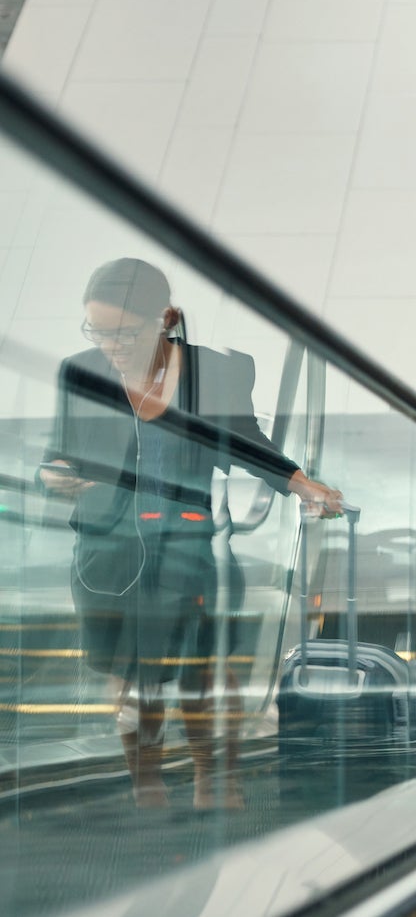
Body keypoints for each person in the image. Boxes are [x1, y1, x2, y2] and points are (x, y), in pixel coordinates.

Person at [38, 258, 341, 809]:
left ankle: (212, 777)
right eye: (98, 332)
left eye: (124, 332)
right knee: (129, 675)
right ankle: (145, 782)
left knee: (201, 670)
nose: (110, 345)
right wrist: (54, 476)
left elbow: (247, 439)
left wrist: (300, 484)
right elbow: (56, 452)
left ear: (167, 317)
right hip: (107, 550)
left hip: (185, 541)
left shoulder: (213, 374)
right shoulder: (77, 371)